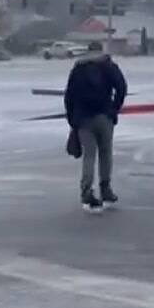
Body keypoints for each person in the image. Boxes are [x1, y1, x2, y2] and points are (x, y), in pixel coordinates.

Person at [64, 41, 127, 212]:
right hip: (104, 116)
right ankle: (106, 189)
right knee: (106, 153)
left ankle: (86, 192)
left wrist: (72, 119)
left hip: (84, 118)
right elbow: (121, 87)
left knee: (89, 156)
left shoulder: (78, 69)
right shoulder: (109, 66)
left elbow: (69, 95)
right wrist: (114, 108)